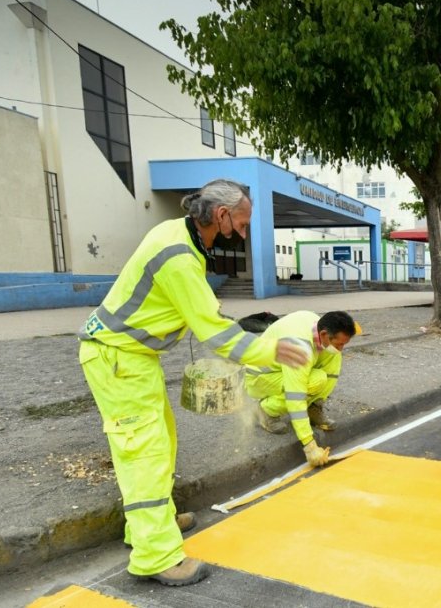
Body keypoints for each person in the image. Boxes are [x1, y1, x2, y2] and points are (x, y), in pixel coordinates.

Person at [78, 179, 309, 587]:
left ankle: (153, 524)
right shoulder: (180, 256)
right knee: (144, 453)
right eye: (240, 223)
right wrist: (269, 351)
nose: (241, 233)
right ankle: (156, 556)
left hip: (131, 358)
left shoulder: (175, 233)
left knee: (159, 442)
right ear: (221, 215)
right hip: (117, 358)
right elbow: (215, 333)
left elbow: (200, 311)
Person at [242, 310, 360, 466]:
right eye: (339, 343)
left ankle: (314, 406)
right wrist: (310, 446)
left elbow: (332, 355)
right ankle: (265, 410)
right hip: (260, 377)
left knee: (334, 356)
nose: (342, 348)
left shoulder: (318, 324)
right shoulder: (299, 348)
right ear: (324, 334)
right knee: (315, 381)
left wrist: (313, 400)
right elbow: (295, 397)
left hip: (280, 367)